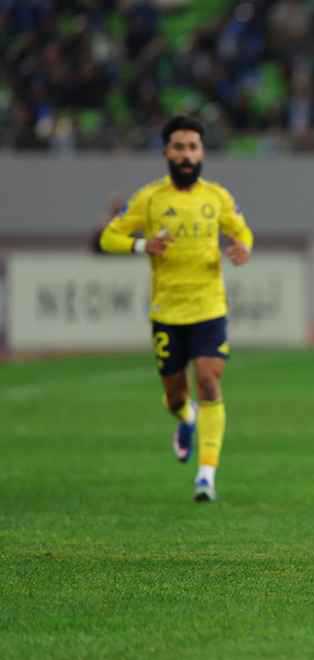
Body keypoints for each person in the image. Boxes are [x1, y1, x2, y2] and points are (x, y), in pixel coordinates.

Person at [98, 115, 253, 502]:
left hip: (208, 307)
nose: (187, 155)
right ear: (167, 151)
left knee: (208, 381)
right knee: (174, 397)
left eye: (193, 147)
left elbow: (241, 231)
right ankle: (186, 419)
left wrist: (242, 247)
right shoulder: (150, 198)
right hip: (166, 312)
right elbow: (108, 236)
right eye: (180, 147)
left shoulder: (216, 197)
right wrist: (140, 245)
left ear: (202, 152)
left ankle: (206, 475)